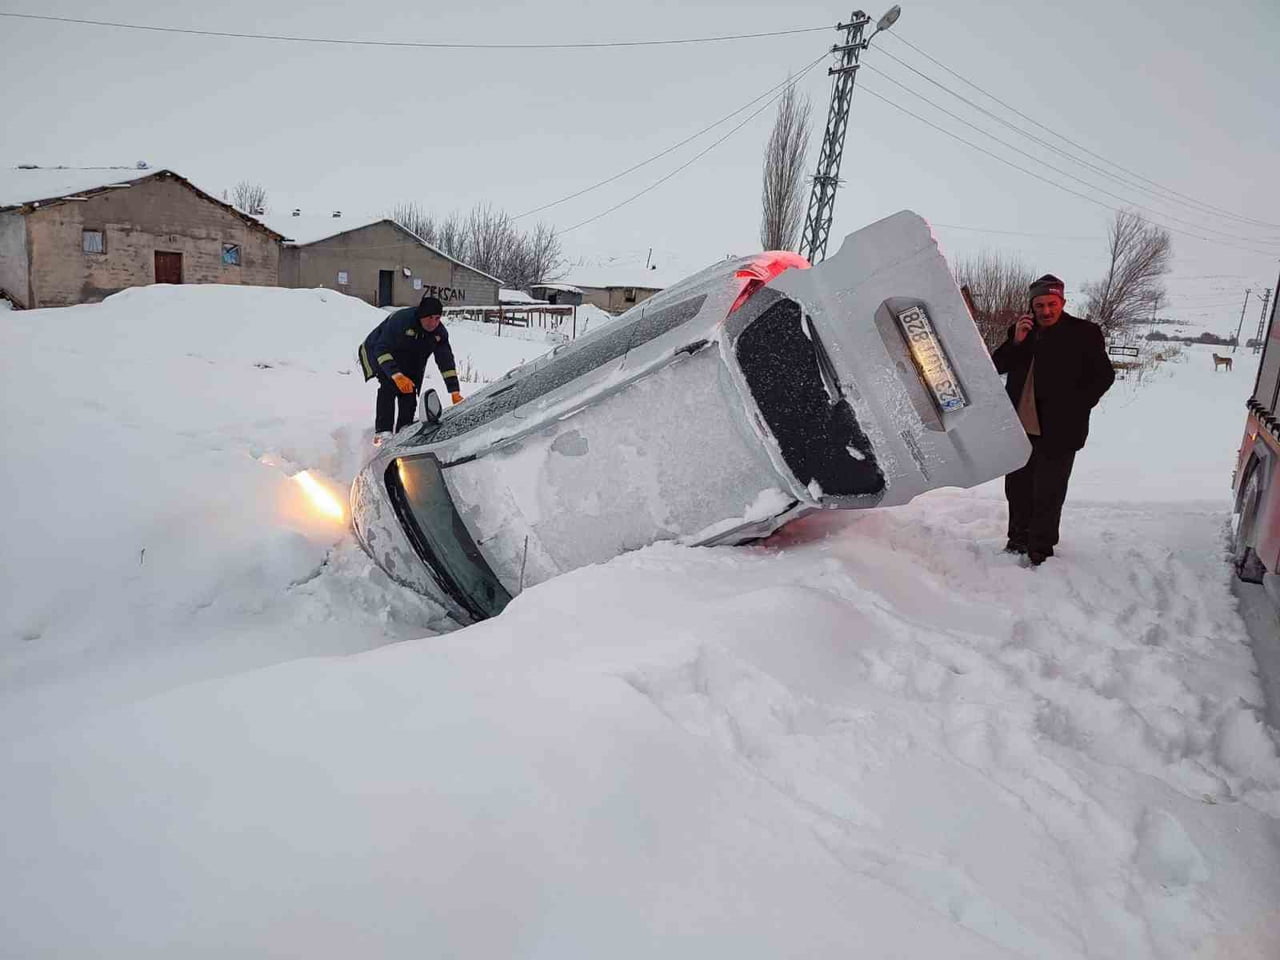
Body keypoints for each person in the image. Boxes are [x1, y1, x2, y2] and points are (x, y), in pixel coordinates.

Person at [992, 274, 1115, 565]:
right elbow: (998, 365)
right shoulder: (1022, 331)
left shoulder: (1084, 332)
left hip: (1060, 431)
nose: (1046, 311)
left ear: (1062, 302)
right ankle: (1017, 539)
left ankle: (1040, 548)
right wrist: (1017, 341)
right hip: (1021, 428)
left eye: (1052, 304)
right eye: (1040, 305)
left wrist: (1078, 405)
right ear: (1031, 306)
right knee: (1017, 488)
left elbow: (1104, 376)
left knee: (1048, 491)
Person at [358, 294, 463, 444]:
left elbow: (445, 361)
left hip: (411, 358)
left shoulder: (439, 333)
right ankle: (383, 431)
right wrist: (396, 375)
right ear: (421, 316)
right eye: (430, 318)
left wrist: (454, 391)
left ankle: (404, 429)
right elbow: (381, 349)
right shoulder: (401, 320)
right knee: (388, 386)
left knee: (409, 389)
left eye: (437, 318)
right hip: (379, 351)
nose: (434, 323)